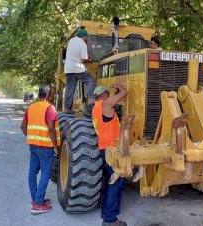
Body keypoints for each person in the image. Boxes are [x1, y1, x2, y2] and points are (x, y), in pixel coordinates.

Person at [20, 85, 61, 215]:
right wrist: (55, 146)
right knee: (45, 174)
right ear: (49, 95)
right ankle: (38, 204)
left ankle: (36, 199)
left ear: (39, 94)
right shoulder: (50, 108)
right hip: (45, 147)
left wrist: (32, 138)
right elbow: (50, 129)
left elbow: (22, 126)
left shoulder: (31, 107)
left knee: (32, 172)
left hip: (33, 146)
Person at [92, 85, 128, 226]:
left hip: (104, 148)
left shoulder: (95, 107)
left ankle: (107, 214)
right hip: (112, 150)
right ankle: (110, 220)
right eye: (109, 93)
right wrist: (118, 86)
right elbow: (125, 92)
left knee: (110, 181)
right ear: (105, 94)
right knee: (115, 183)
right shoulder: (105, 104)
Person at [64, 28, 95, 114]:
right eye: (86, 37)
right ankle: (91, 100)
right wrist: (90, 59)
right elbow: (83, 60)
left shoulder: (71, 41)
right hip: (77, 68)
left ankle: (67, 108)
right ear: (83, 37)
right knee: (90, 80)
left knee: (70, 88)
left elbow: (75, 54)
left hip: (68, 68)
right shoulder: (82, 44)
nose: (86, 39)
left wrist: (86, 57)